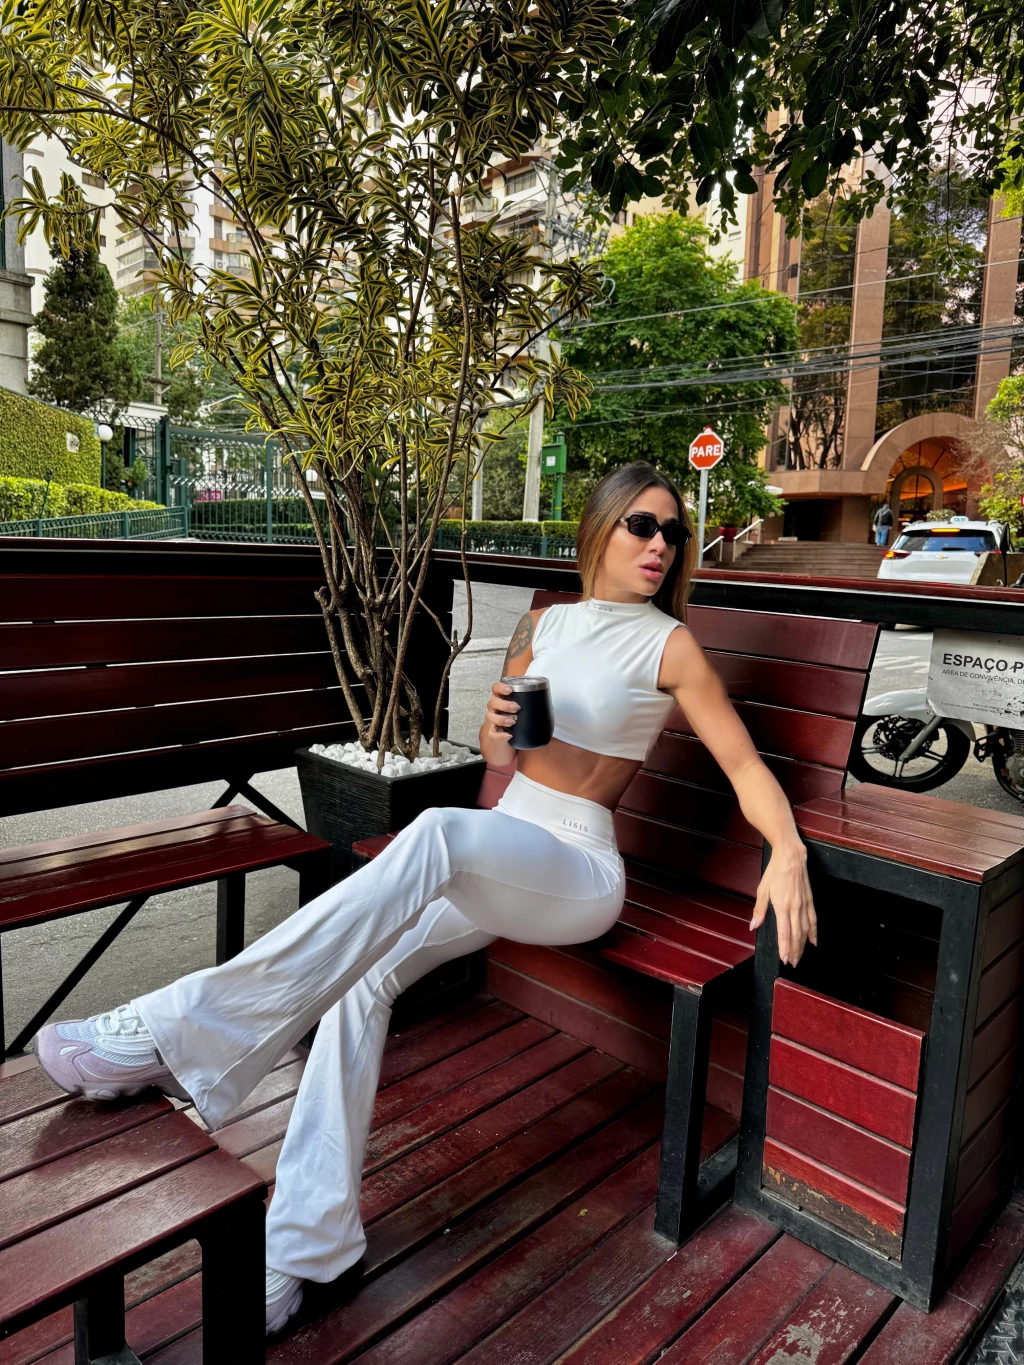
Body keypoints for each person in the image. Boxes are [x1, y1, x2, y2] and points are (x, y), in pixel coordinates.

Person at [32, 460, 817, 1335]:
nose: (661, 543)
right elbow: (499, 762)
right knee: (362, 977)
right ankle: (309, 1243)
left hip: (577, 866)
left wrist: (785, 849)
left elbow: (745, 765)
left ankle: (177, 1027)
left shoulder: (669, 645)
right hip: (505, 840)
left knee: (438, 832)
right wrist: (494, 731)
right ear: (599, 528)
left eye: (673, 531)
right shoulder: (542, 623)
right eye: (642, 523)